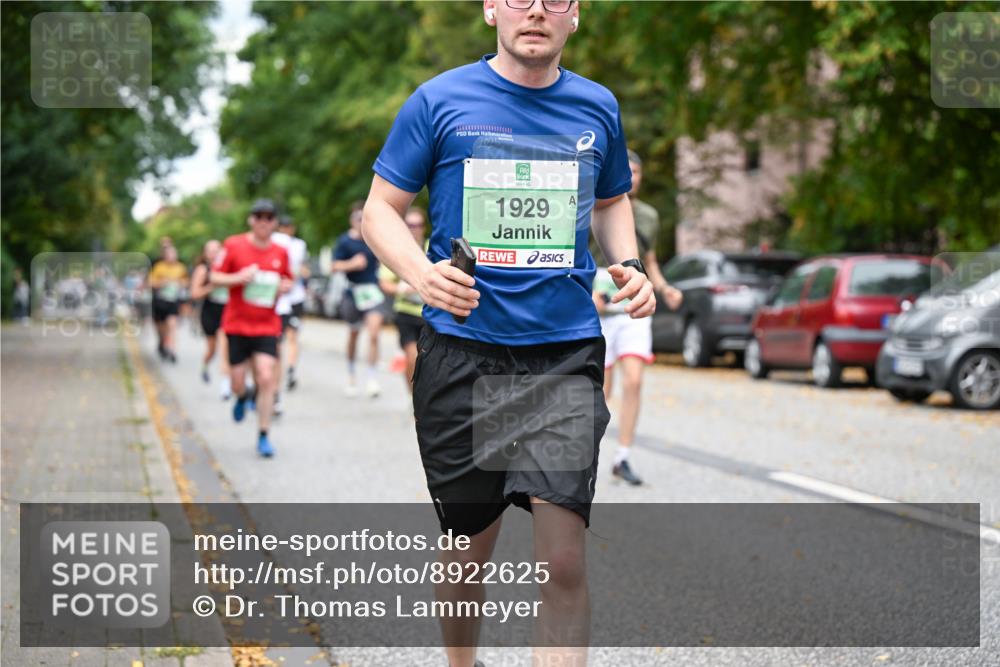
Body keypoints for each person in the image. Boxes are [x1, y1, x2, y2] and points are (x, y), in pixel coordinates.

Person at [361, 2, 656, 665]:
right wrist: (421, 274)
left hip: (563, 355)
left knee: (563, 560)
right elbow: (381, 210)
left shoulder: (596, 107)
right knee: (470, 546)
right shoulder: (440, 100)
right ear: (491, 7)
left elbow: (611, 200)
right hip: (464, 354)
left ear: (574, 16)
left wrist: (629, 264)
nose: (536, 9)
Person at [591, 149, 683, 485]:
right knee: (601, 388)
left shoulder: (648, 216)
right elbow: (577, 256)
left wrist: (665, 288)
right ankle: (587, 454)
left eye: (637, 172)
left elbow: (650, 261)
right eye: (626, 170)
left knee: (635, 380)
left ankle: (623, 456)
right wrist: (587, 293)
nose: (632, 177)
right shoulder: (594, 205)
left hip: (632, 303)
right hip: (599, 301)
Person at [210, 199, 292, 458]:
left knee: (266, 377)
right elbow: (214, 277)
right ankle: (242, 396)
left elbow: (288, 280)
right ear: (251, 220)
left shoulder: (280, 251)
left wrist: (284, 287)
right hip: (237, 325)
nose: (263, 221)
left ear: (275, 222)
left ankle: (264, 435)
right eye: (259, 216)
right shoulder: (233, 245)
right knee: (236, 382)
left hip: (267, 326)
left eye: (269, 217)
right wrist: (238, 277)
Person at [332, 201, 385, 398]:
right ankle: (351, 373)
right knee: (354, 334)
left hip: (372, 292)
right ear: (351, 220)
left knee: (373, 334)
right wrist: (351, 264)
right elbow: (334, 266)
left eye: (364, 217)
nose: (360, 221)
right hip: (353, 293)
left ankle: (372, 378)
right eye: (357, 218)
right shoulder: (345, 241)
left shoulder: (373, 239)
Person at [378, 206, 428, 392]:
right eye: (410, 225)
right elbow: (384, 282)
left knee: (427, 360)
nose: (414, 228)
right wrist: (402, 288)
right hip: (405, 312)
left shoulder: (433, 247)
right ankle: (413, 396)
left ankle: (422, 396)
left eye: (418, 225)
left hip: (428, 313)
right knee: (411, 356)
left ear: (423, 227)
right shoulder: (398, 249)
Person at [272, 214, 310, 414]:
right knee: (283, 340)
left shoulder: (299, 245)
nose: (286, 230)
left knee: (292, 336)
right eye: (284, 226)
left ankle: (291, 369)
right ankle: (286, 372)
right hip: (281, 299)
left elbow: (302, 269)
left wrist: (302, 275)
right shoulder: (276, 242)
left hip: (294, 299)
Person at [190, 239, 232, 398]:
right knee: (212, 350)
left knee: (225, 347)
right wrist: (212, 286)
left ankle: (225, 385)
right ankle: (205, 364)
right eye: (211, 250)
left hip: (227, 312)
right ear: (205, 254)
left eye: (217, 250)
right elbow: (194, 294)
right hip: (210, 312)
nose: (214, 254)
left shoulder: (229, 268)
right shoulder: (203, 270)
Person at [149, 244, 188, 362]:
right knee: (161, 327)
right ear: (165, 256)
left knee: (172, 325)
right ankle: (161, 343)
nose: (172, 257)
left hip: (173, 301)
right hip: (160, 301)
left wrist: (179, 283)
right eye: (169, 254)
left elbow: (186, 282)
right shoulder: (158, 267)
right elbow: (151, 283)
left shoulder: (181, 268)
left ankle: (172, 349)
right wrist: (162, 282)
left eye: (174, 254)